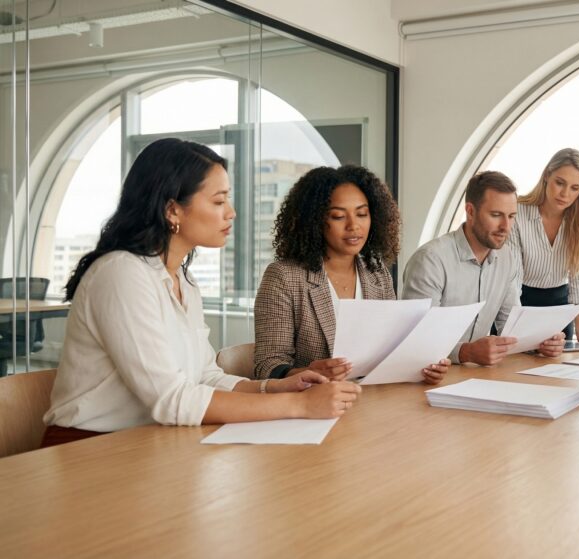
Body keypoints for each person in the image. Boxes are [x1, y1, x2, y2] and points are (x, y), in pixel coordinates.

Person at [43, 139, 359, 448]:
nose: (231, 212)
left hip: (156, 442)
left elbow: (204, 376)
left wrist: (274, 388)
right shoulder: (121, 274)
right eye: (219, 201)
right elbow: (172, 400)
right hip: (89, 450)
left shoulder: (182, 278)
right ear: (172, 211)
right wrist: (299, 406)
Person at [254, 165, 449, 384]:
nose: (354, 226)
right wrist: (307, 373)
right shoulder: (284, 277)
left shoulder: (377, 272)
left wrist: (422, 366)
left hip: (372, 399)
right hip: (315, 403)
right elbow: (267, 364)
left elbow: (393, 349)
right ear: (315, 221)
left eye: (362, 214)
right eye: (338, 216)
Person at [403, 171, 565, 366]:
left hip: (475, 375)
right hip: (426, 375)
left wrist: (541, 342)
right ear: (470, 212)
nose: (506, 226)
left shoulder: (507, 259)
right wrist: (466, 352)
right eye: (496, 215)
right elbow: (419, 337)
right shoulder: (430, 260)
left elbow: (510, 326)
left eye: (511, 216)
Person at [509, 148, 579, 342]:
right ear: (547, 175)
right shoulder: (517, 212)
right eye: (560, 183)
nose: (565, 194)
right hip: (518, 306)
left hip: (560, 309)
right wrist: (514, 330)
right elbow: (512, 280)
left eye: (575, 188)